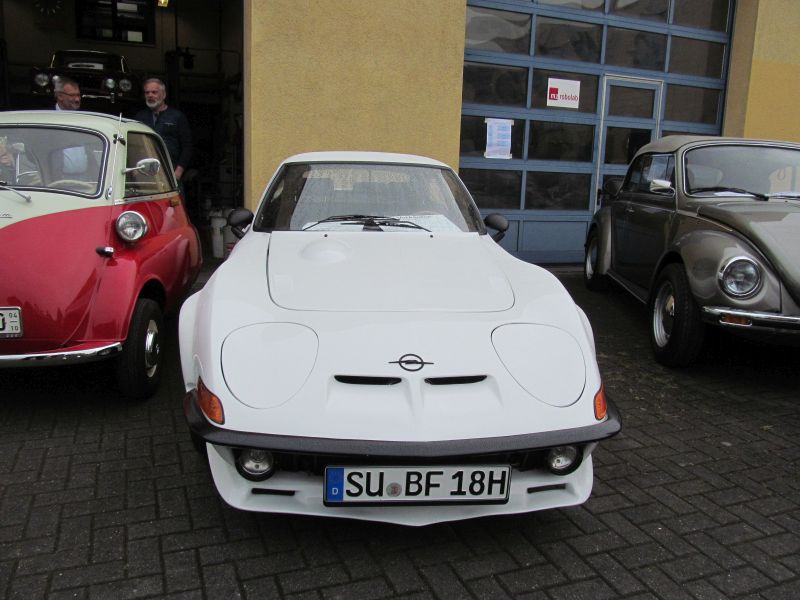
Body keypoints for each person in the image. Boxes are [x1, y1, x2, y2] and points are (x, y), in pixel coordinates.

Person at [135, 78, 192, 181]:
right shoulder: (140, 117)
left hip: (170, 172)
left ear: (164, 95)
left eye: (154, 92)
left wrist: (178, 172)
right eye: (147, 92)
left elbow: (187, 146)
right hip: (144, 171)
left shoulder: (177, 117)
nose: (150, 95)